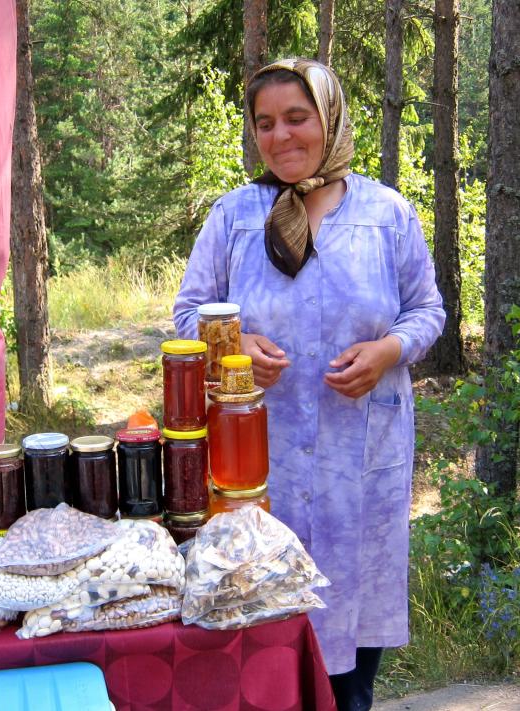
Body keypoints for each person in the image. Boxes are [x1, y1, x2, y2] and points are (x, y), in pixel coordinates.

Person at [173, 58, 445, 711]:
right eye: (264, 123)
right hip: (254, 465)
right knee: (258, 647)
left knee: (349, 676)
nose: (280, 136)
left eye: (297, 117)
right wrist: (229, 346)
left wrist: (387, 350)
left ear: (330, 119)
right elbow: (188, 313)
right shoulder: (235, 216)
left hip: (361, 464)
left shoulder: (386, 215)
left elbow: (426, 311)